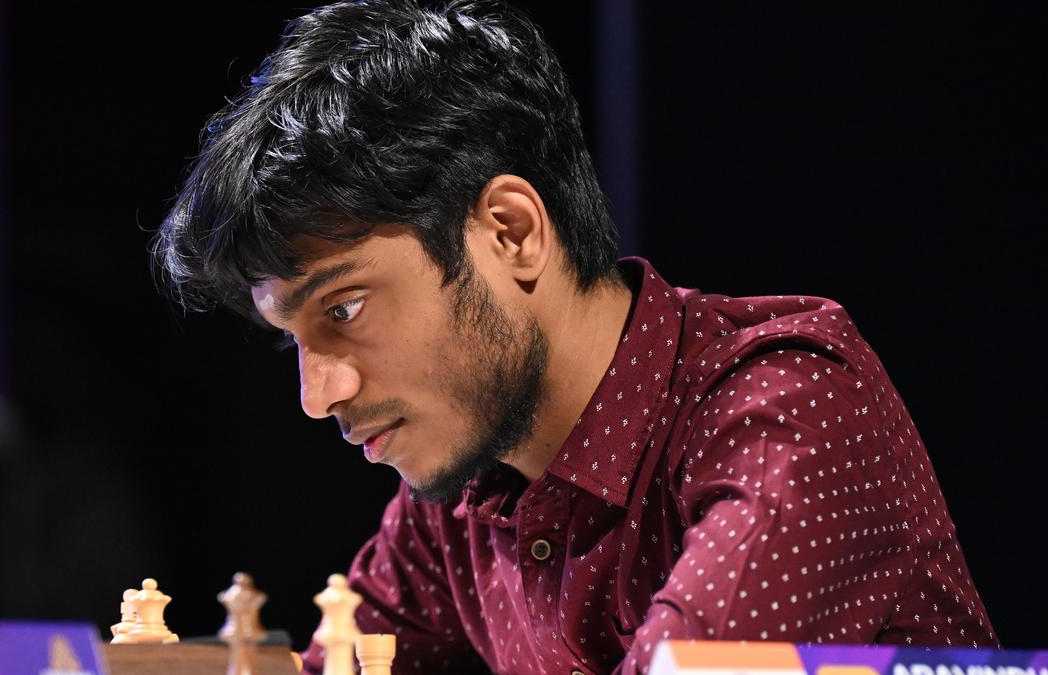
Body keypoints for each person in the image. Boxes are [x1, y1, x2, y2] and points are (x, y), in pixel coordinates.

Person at [152, 1, 997, 672]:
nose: (317, 395)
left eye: (343, 308)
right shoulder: (459, 497)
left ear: (512, 232)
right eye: (292, 337)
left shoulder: (790, 408)